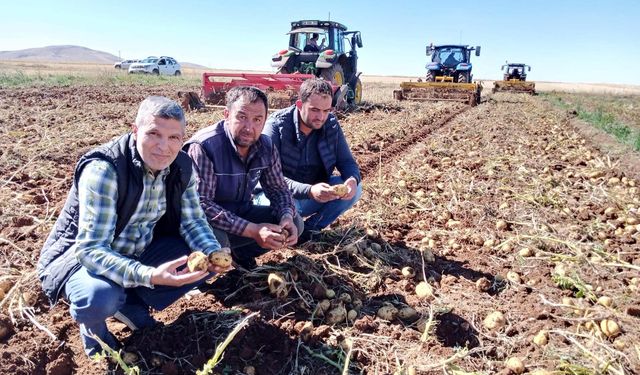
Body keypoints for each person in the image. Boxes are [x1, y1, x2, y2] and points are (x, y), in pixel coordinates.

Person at [37, 96, 230, 357]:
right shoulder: (105, 170)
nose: (164, 147)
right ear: (135, 130)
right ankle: (97, 338)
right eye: (154, 133)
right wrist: (150, 275)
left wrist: (210, 254)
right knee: (98, 297)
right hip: (81, 260)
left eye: (174, 138)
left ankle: (129, 305)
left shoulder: (182, 167)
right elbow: (91, 249)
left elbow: (193, 220)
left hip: (138, 251)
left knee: (206, 255)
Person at [184, 86, 302, 270]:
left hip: (241, 212)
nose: (249, 127)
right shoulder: (205, 146)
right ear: (226, 114)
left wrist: (285, 215)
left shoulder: (266, 147)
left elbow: (278, 189)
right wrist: (253, 231)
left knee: (294, 223)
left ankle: (241, 256)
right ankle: (200, 278)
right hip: (205, 221)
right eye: (241, 117)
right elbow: (201, 204)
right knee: (216, 243)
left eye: (257, 120)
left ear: (264, 122)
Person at [258, 78, 362, 241]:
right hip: (280, 196)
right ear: (300, 105)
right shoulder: (276, 126)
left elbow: (347, 162)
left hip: (315, 196)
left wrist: (352, 180)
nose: (321, 117)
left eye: (326, 110)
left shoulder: (331, 124)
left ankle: (311, 230)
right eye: (314, 110)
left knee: (356, 189)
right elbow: (267, 177)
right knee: (265, 208)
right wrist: (308, 190)